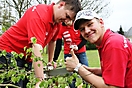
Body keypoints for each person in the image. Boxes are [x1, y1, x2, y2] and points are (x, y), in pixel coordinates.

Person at [0, 0, 81, 88]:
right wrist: (40, 80)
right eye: (67, 16)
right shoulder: (39, 15)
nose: (66, 21)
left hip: (26, 58)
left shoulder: (57, 23)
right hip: (8, 51)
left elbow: (52, 41)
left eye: (70, 19)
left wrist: (51, 61)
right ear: (61, 5)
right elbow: (36, 47)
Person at [65, 10, 132, 88]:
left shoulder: (113, 44)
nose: (86, 31)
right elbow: (120, 70)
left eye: (90, 24)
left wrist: (78, 68)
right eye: (82, 29)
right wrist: (94, 71)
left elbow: (112, 87)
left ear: (101, 22)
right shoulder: (108, 41)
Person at [53, 21, 89, 88]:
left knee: (86, 71)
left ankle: (87, 86)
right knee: (71, 75)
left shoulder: (77, 25)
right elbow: (58, 44)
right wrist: (54, 59)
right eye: (65, 20)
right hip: (68, 53)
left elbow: (85, 39)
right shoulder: (61, 27)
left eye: (68, 19)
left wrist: (78, 47)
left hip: (81, 52)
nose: (66, 21)